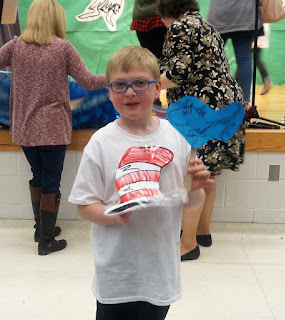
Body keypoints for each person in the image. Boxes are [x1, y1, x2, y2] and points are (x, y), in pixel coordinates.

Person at [68, 45, 214, 320]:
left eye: (140, 83)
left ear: (157, 87)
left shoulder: (177, 139)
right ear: (109, 92)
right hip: (116, 275)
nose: (130, 92)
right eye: (120, 85)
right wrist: (114, 215)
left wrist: (196, 191)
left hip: (160, 274)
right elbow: (84, 206)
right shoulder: (100, 143)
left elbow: (191, 203)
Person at [0, 0, 107, 255]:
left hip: (24, 128)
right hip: (53, 129)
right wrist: (115, 76)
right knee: (51, 183)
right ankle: (46, 241)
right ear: (55, 19)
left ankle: (41, 229)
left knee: (38, 177)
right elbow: (89, 82)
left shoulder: (15, 46)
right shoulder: (63, 48)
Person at [157, 0, 245, 260]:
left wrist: (150, 85)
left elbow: (177, 73)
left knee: (193, 174)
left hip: (200, 108)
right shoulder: (206, 24)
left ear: (166, 11)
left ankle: (188, 244)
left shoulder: (180, 26)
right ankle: (202, 232)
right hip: (227, 106)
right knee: (206, 172)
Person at [207, 0, 263, 108]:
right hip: (245, 14)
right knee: (244, 59)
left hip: (219, 14)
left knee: (213, 60)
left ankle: (212, 99)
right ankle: (245, 103)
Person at [130, 0, 167, 111]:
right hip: (157, 16)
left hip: (140, 17)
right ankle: (170, 99)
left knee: (150, 60)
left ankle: (152, 99)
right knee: (164, 59)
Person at [255, 24, 272, 95]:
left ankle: (237, 84)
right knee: (254, 57)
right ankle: (266, 79)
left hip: (256, 29)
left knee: (244, 58)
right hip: (260, 29)